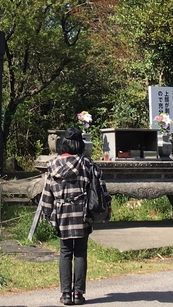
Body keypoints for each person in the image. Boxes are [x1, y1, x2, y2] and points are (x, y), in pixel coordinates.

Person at [38, 126, 106, 306]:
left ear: (63, 143)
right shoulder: (87, 164)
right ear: (80, 144)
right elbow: (100, 187)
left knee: (65, 252)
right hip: (82, 213)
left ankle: (66, 294)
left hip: (62, 214)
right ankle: (78, 293)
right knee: (81, 252)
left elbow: (47, 192)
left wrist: (47, 212)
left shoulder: (53, 165)